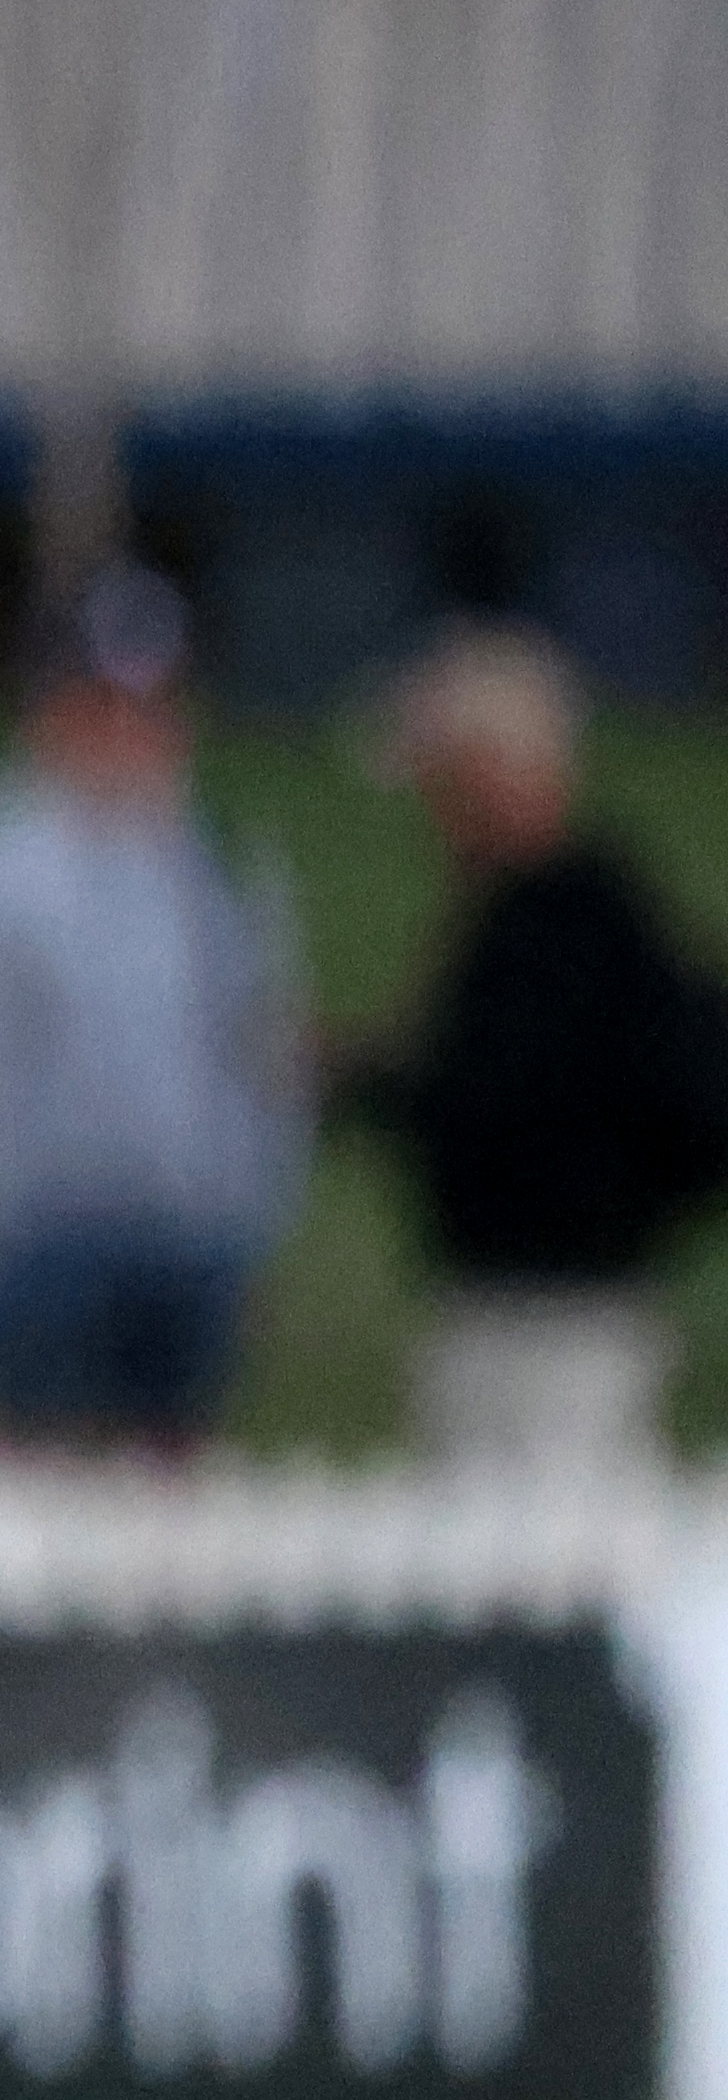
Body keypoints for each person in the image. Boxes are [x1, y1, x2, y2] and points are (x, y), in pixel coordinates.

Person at [0, 563, 312, 1457]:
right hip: (49, 1240)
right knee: (40, 1495)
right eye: (101, 703)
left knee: (165, 1509)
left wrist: (252, 1216)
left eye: (151, 704)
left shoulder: (215, 859)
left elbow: (257, 1053)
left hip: (192, 1240)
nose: (128, 731)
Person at [325, 621, 728, 1474]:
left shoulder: (573, 927)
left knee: (543, 1572)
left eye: (446, 781)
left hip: (557, 1325)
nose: (434, 812)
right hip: (528, 1312)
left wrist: (369, 1079)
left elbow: (503, 1094)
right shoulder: (555, 918)